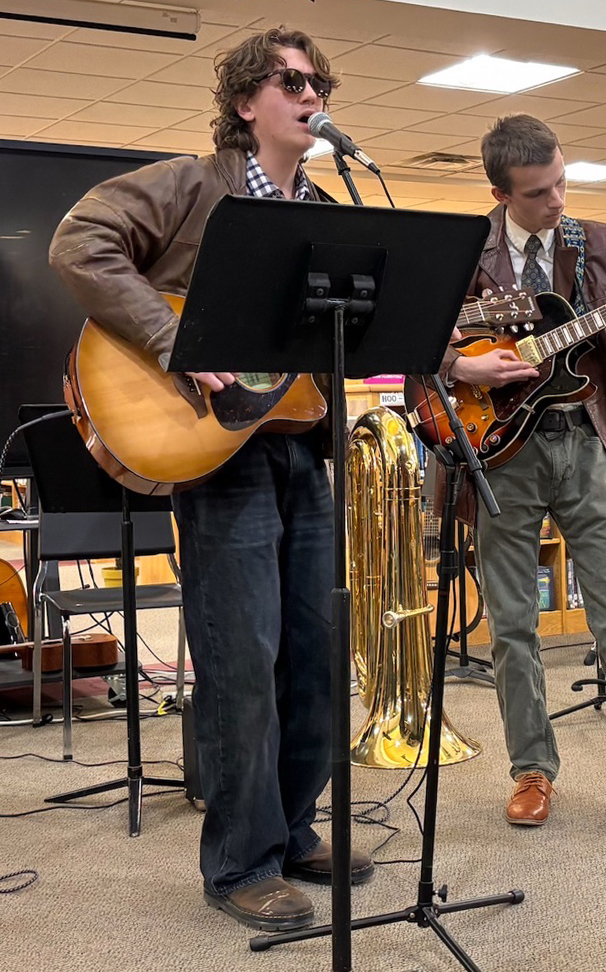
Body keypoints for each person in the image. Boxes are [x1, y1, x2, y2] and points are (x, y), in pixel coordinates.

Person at [49, 25, 374, 931]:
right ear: (245, 102)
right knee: (242, 664)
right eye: (293, 82)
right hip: (214, 449)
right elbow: (82, 242)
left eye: (320, 82)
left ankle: (294, 827)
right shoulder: (192, 185)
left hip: (300, 444)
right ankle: (240, 863)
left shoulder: (322, 203)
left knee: (313, 655)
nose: (314, 96)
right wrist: (174, 342)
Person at [441, 114, 606, 841]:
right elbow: (417, 344)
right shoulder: (466, 251)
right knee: (514, 627)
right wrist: (462, 366)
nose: (557, 200)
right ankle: (531, 770)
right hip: (500, 457)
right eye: (538, 192)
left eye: (561, 181)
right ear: (499, 192)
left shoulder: (603, 244)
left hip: (587, 448)